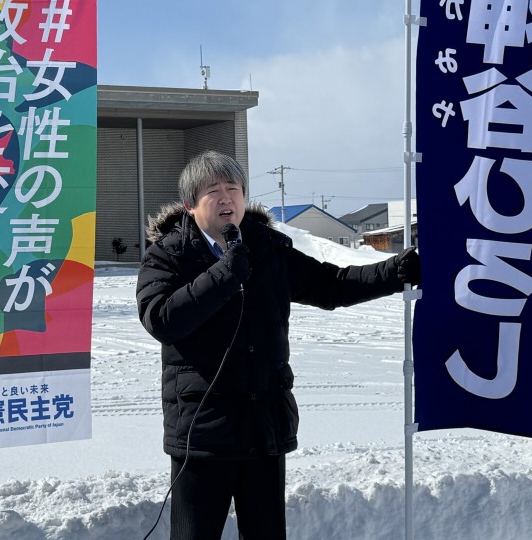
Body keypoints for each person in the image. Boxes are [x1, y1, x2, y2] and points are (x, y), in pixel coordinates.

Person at [136, 150, 420, 539]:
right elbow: (161, 319)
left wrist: (394, 271)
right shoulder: (169, 254)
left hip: (263, 428)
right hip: (203, 435)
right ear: (189, 204)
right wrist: (223, 274)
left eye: (233, 189)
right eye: (212, 191)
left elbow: (330, 285)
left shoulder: (266, 246)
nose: (225, 199)